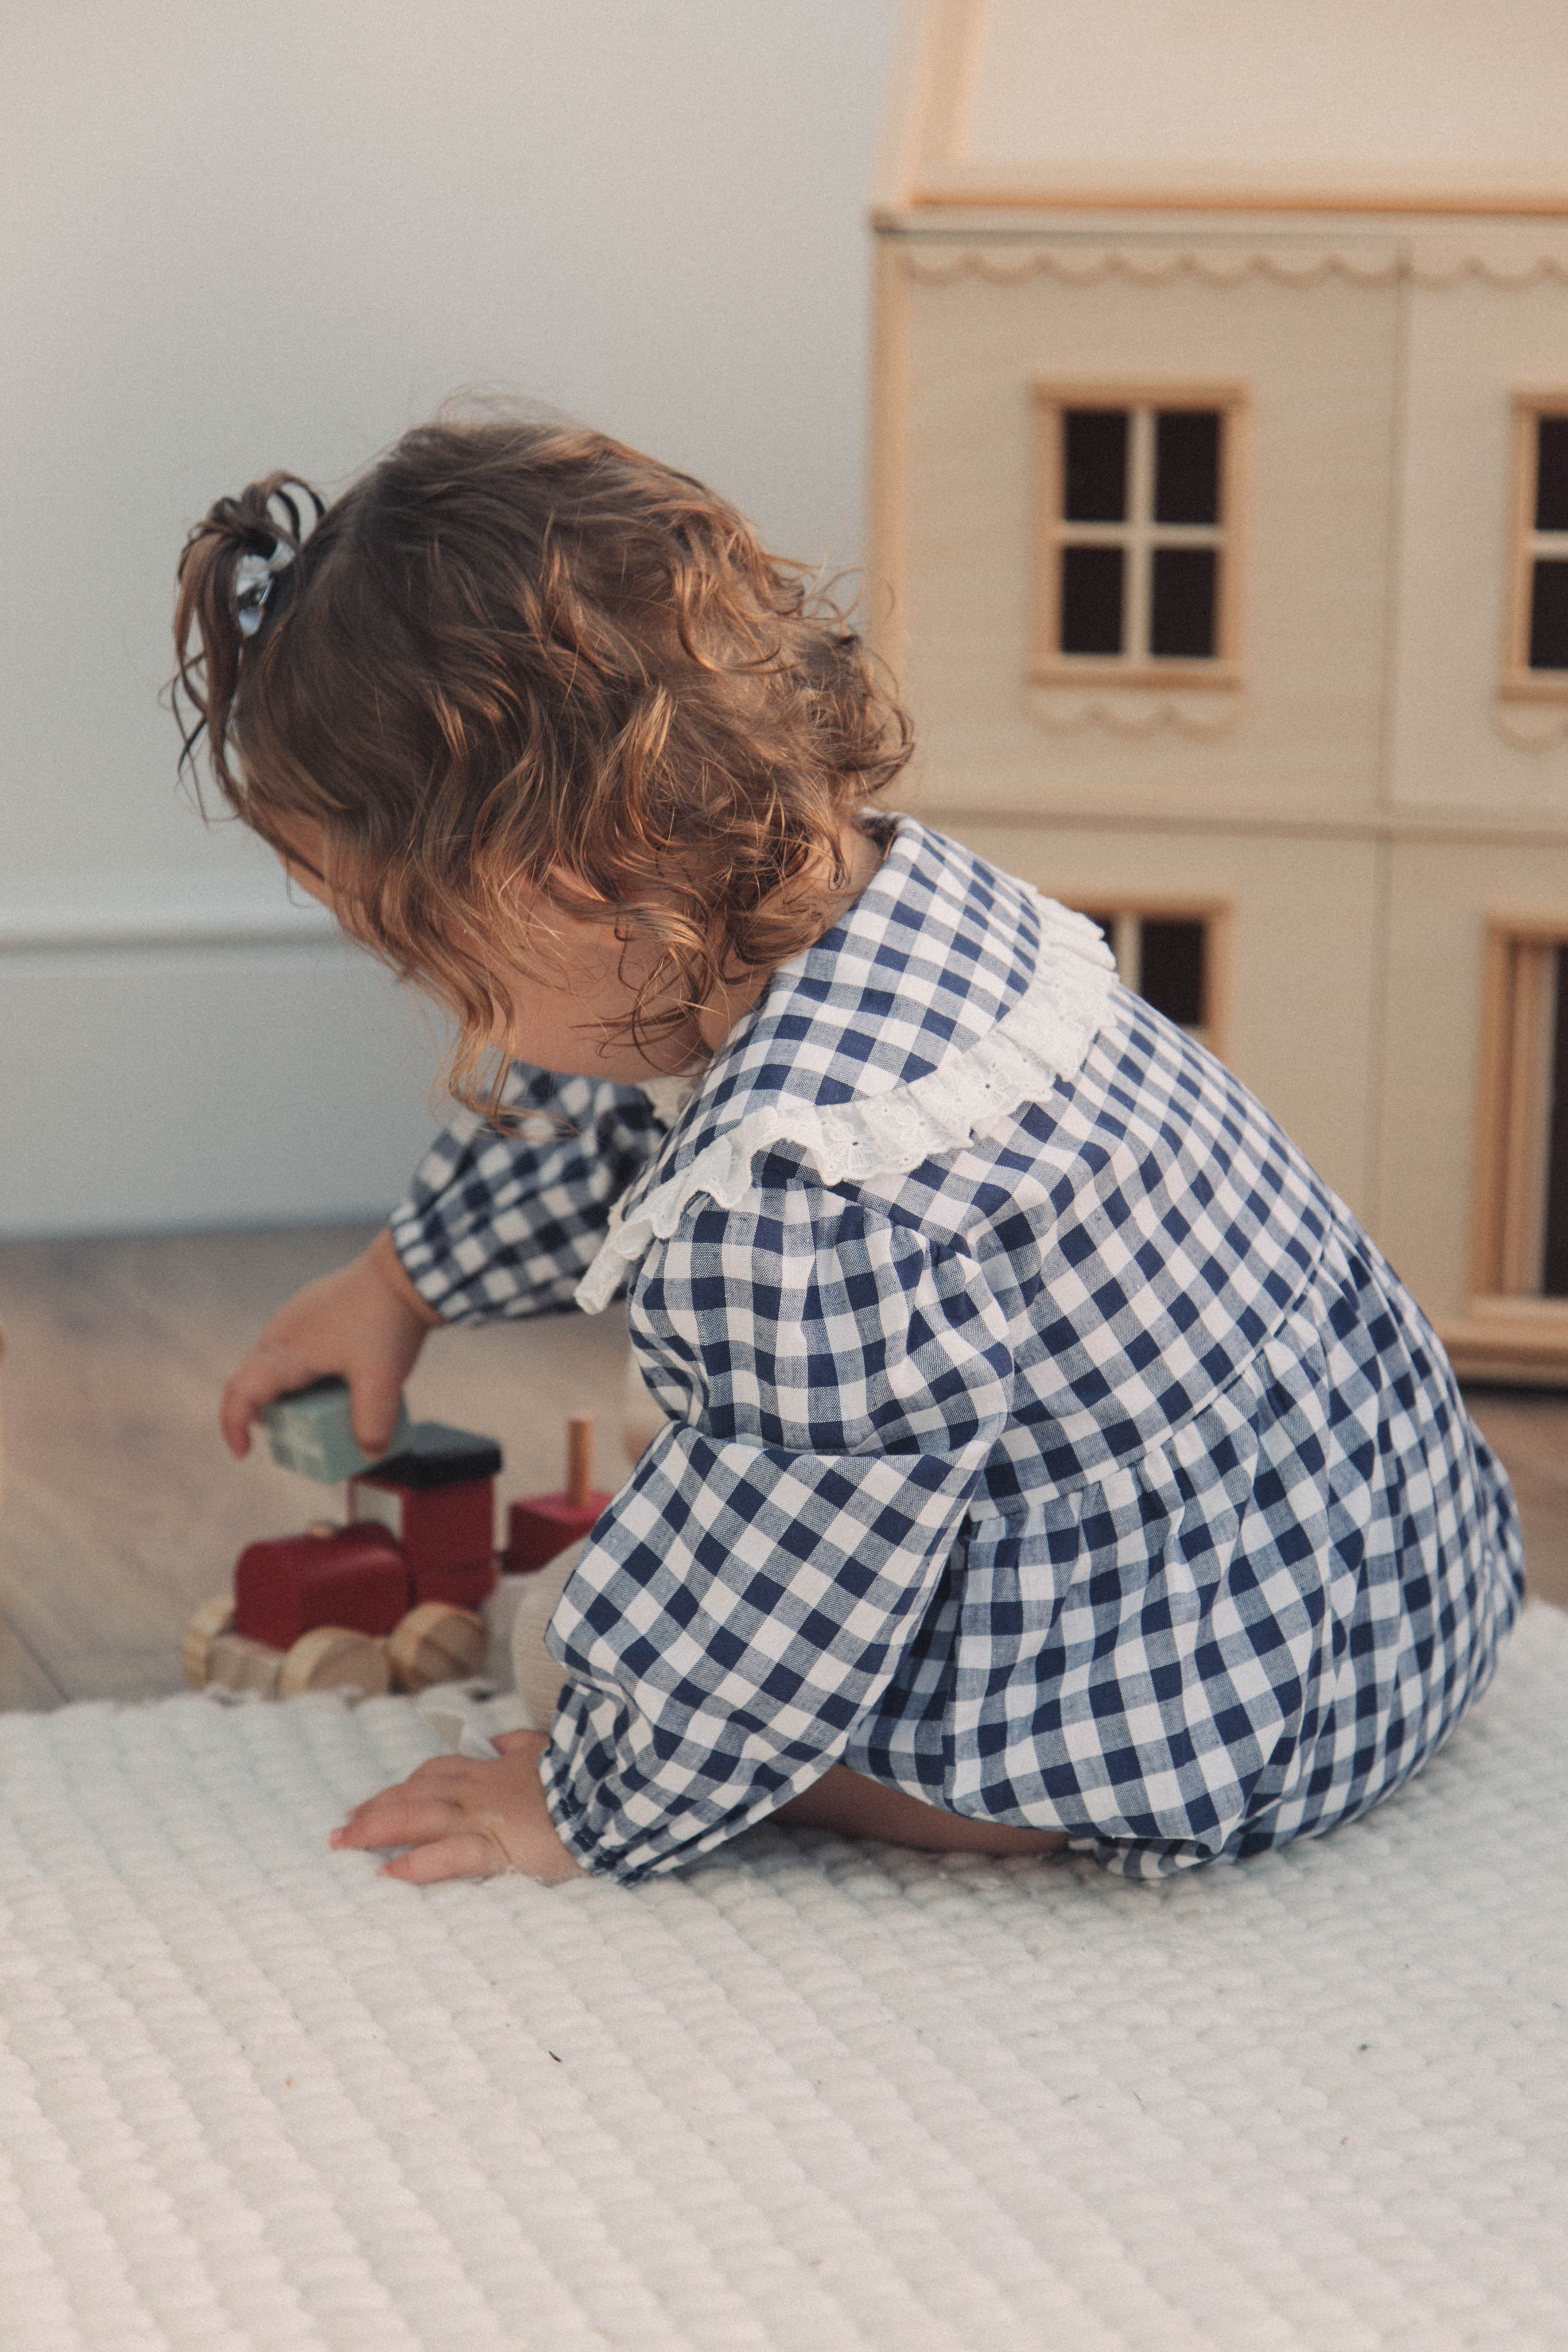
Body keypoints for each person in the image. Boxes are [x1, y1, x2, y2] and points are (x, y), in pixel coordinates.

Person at [175, 416, 1524, 1888]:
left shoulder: (809, 1205)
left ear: (559, 891)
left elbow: (776, 1588)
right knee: (713, 1456)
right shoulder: (875, 896)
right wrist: (401, 1280)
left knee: (573, 1640)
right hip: (1397, 1576)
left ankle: (891, 1793)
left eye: (433, 966)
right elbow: (590, 1098)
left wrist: (588, 1798)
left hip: (1217, 1706)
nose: (445, 1012)